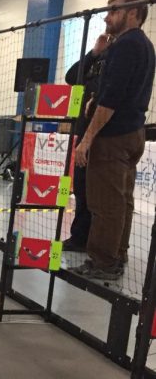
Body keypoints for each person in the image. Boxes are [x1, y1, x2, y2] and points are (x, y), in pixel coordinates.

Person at [71, 0, 155, 281]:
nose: (107, 16)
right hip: (133, 132)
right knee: (122, 201)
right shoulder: (144, 46)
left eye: (114, 10)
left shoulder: (126, 46)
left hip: (113, 136)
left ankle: (103, 262)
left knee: (104, 202)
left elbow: (110, 100)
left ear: (134, 13)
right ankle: (116, 254)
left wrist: (87, 139)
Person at [62, 33, 112, 253]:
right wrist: (94, 53)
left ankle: (96, 242)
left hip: (100, 136)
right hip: (83, 132)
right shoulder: (94, 63)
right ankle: (80, 237)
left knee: (95, 192)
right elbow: (71, 76)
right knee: (81, 188)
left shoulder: (115, 64)